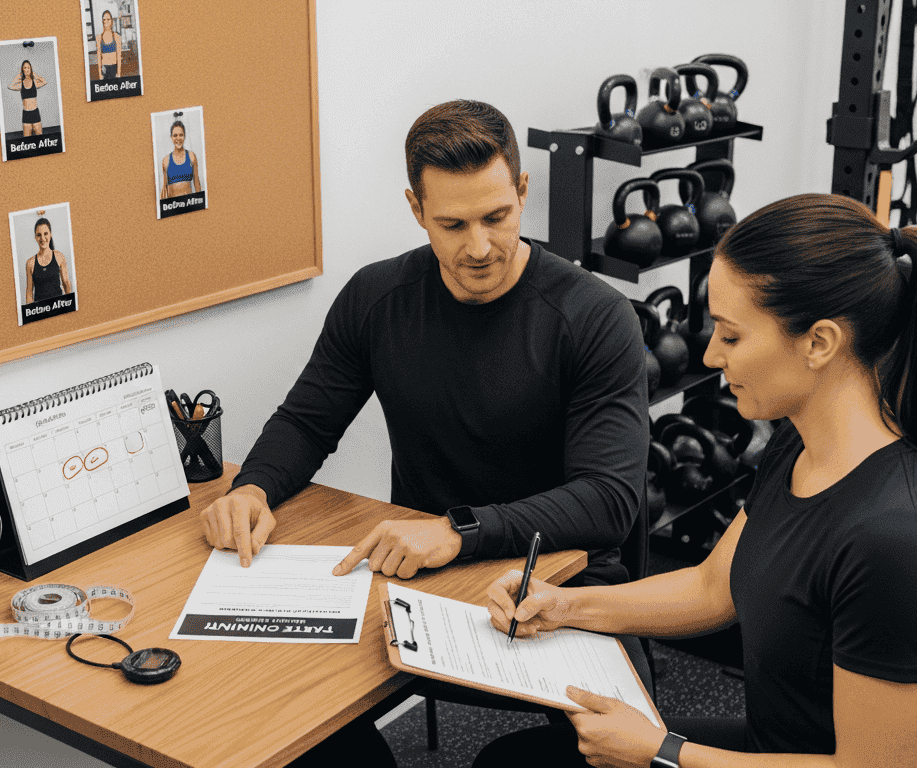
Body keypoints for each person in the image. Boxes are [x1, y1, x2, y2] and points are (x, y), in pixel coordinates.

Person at [195, 100, 649, 766]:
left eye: (496, 217)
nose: (479, 247)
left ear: (523, 192)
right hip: (421, 585)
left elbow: (609, 501)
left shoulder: (594, 317)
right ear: (416, 210)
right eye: (452, 223)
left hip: (561, 587)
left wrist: (455, 529)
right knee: (278, 719)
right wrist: (254, 488)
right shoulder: (377, 297)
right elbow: (306, 420)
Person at [474, 193, 917, 768]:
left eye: (732, 336)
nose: (711, 355)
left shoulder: (901, 542)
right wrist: (561, 606)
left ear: (819, 343)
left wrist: (661, 753)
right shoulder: (799, 442)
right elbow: (714, 588)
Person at [24, 217, 72, 304]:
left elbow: (66, 283)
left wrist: (71, 305)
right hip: (41, 311)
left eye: (45, 233)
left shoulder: (59, 257)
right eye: (39, 235)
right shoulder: (30, 264)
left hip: (59, 307)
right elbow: (29, 293)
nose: (42, 238)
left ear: (50, 234)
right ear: (35, 237)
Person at [160, 120, 203, 199]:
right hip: (173, 206)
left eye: (181, 135)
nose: (178, 138)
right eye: (175, 135)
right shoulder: (166, 160)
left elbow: (197, 185)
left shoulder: (191, 156)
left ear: (184, 136)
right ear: (171, 137)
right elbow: (164, 189)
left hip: (189, 204)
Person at [7, 59, 48, 137]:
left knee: (40, 138)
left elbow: (44, 81)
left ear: (31, 69)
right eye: (24, 68)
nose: (26, 69)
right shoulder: (20, 84)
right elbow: (10, 86)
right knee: (27, 139)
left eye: (28, 67)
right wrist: (18, 77)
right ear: (22, 70)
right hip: (26, 114)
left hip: (35, 113)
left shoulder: (34, 82)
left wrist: (35, 75)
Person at [96, 10, 120, 80]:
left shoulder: (116, 36)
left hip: (114, 68)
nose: (106, 21)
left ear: (111, 21)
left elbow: (118, 57)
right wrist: (100, 74)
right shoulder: (99, 38)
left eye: (108, 19)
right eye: (104, 19)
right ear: (102, 21)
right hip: (104, 69)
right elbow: (99, 57)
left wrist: (118, 73)